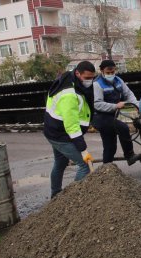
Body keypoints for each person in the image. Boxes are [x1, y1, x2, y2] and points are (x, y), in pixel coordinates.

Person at [43, 61, 96, 198]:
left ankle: (55, 195)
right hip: (60, 134)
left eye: (92, 78)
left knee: (60, 162)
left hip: (54, 130)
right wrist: (83, 149)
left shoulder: (70, 78)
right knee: (84, 165)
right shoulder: (69, 94)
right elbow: (71, 125)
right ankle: (72, 199)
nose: (90, 81)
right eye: (87, 78)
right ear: (78, 73)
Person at [92, 60, 141, 165]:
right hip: (101, 117)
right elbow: (97, 104)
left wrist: (138, 105)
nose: (110, 74)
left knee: (110, 145)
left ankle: (107, 167)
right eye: (108, 73)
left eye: (112, 72)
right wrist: (115, 106)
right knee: (122, 128)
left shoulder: (118, 80)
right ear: (102, 71)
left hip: (113, 115)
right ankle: (129, 156)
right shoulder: (97, 84)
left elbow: (128, 94)